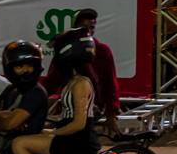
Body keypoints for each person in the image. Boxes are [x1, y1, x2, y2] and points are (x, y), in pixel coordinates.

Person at [12, 31, 97, 154]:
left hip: (76, 141)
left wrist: (53, 132)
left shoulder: (80, 84)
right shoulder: (73, 82)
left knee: (19, 144)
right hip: (72, 138)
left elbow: (78, 123)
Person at [42, 8, 120, 136]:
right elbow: (51, 83)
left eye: (91, 28)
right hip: (69, 109)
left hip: (85, 112)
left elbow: (110, 83)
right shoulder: (66, 51)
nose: (88, 31)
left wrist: (111, 114)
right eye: (84, 27)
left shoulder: (102, 51)